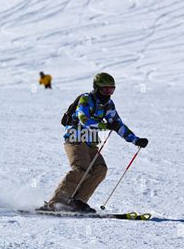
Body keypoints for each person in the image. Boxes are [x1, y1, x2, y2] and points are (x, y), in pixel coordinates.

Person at [40, 72, 149, 213]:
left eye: (111, 90)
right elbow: (84, 119)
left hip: (90, 142)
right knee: (81, 168)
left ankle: (78, 202)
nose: (108, 93)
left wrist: (135, 140)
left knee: (100, 169)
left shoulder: (108, 104)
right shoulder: (86, 100)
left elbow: (117, 124)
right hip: (75, 138)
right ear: (97, 88)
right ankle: (55, 203)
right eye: (105, 90)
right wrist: (105, 126)